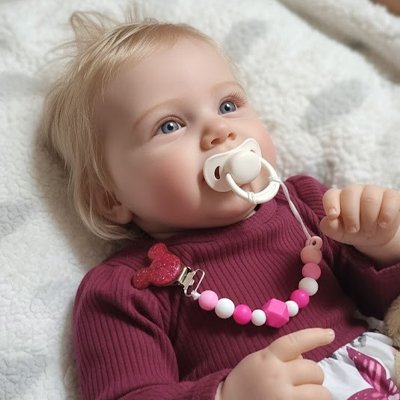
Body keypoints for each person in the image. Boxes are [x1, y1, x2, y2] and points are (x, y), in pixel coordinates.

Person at [42, 10, 400, 400]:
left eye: (228, 105)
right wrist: (228, 395)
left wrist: (381, 244)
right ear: (110, 198)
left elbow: (383, 304)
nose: (220, 130)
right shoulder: (124, 290)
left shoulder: (304, 205)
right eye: (169, 125)